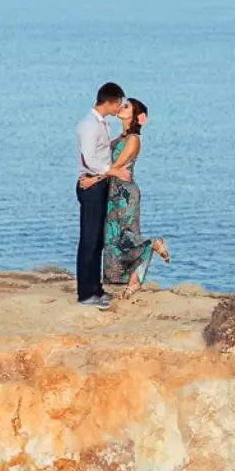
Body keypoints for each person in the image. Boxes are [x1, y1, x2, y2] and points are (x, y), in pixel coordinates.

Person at [79, 98, 170, 300]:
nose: (122, 107)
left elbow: (117, 168)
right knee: (114, 239)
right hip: (114, 193)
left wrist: (92, 181)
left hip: (126, 194)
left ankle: (154, 243)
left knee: (126, 237)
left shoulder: (133, 139)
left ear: (136, 116)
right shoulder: (120, 137)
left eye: (127, 106)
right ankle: (133, 283)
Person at [74, 82, 132, 308]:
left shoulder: (101, 123)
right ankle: (85, 294)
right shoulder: (90, 125)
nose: (119, 107)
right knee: (89, 240)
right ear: (111, 101)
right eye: (119, 103)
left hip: (99, 182)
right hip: (91, 184)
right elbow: (90, 158)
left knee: (97, 240)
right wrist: (113, 170)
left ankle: (95, 288)